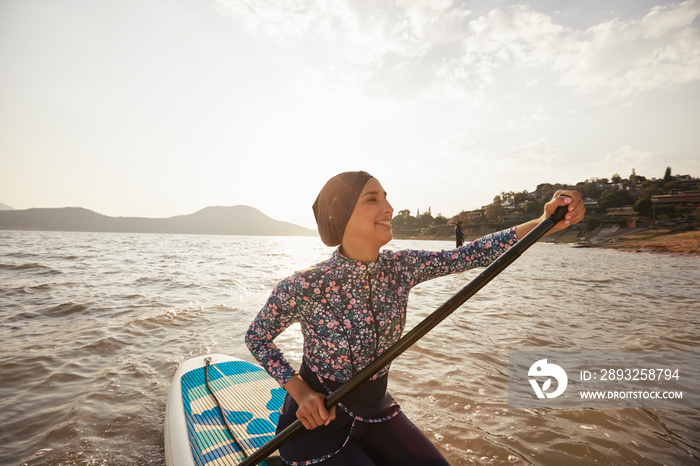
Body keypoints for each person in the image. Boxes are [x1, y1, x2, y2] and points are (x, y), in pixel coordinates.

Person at [246, 171, 584, 465]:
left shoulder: (401, 267)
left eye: (386, 198)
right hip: (317, 424)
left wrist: (547, 222)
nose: (388, 208)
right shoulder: (305, 284)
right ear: (342, 213)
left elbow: (475, 253)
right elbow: (257, 337)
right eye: (372, 199)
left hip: (377, 411)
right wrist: (301, 392)